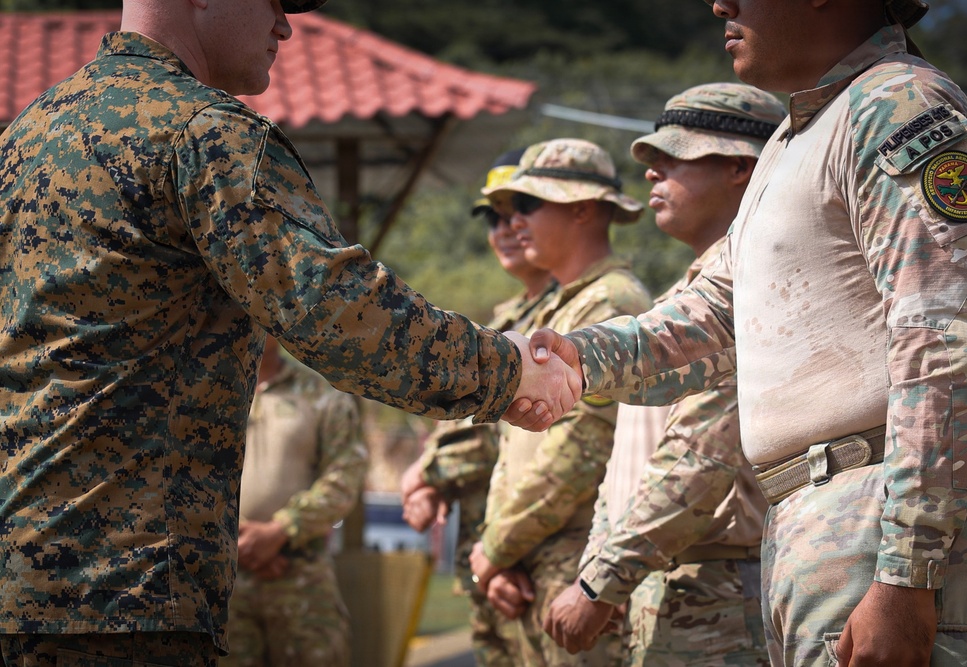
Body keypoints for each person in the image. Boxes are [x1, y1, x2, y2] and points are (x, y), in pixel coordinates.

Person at [0, 0, 577, 663]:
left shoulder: (24, 139)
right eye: (272, 0)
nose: (285, 26)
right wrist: (506, 371)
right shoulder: (203, 130)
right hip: (130, 599)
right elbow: (333, 306)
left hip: (20, 583)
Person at [518, 0, 967, 665]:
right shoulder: (793, 140)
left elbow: (945, 341)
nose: (722, 3)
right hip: (817, 519)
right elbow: (714, 319)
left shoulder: (899, 105)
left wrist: (906, 567)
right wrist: (574, 358)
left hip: (879, 515)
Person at [543, 83, 784, 666]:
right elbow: (626, 464)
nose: (653, 173)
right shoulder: (680, 302)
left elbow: (702, 458)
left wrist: (602, 579)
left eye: (675, 156)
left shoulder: (752, 296)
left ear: (740, 169)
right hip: (656, 579)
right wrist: (605, 569)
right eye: (651, 161)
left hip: (716, 591)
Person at [469, 138, 653, 666]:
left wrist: (497, 549)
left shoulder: (611, 302)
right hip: (530, 553)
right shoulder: (559, 305)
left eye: (528, 204)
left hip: (572, 555)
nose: (512, 220)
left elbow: (581, 449)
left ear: (582, 209)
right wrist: (501, 553)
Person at [400, 147, 557, 666]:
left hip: (537, 554)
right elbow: (474, 423)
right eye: (495, 217)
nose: (508, 228)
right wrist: (431, 472)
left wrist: (433, 474)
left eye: (523, 210)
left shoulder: (572, 318)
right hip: (493, 550)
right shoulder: (508, 316)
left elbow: (538, 439)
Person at [221, 335, 367, 667]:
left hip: (300, 578)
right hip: (219, 586)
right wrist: (236, 542)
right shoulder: (204, 394)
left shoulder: (321, 396)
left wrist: (280, 531)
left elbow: (345, 475)